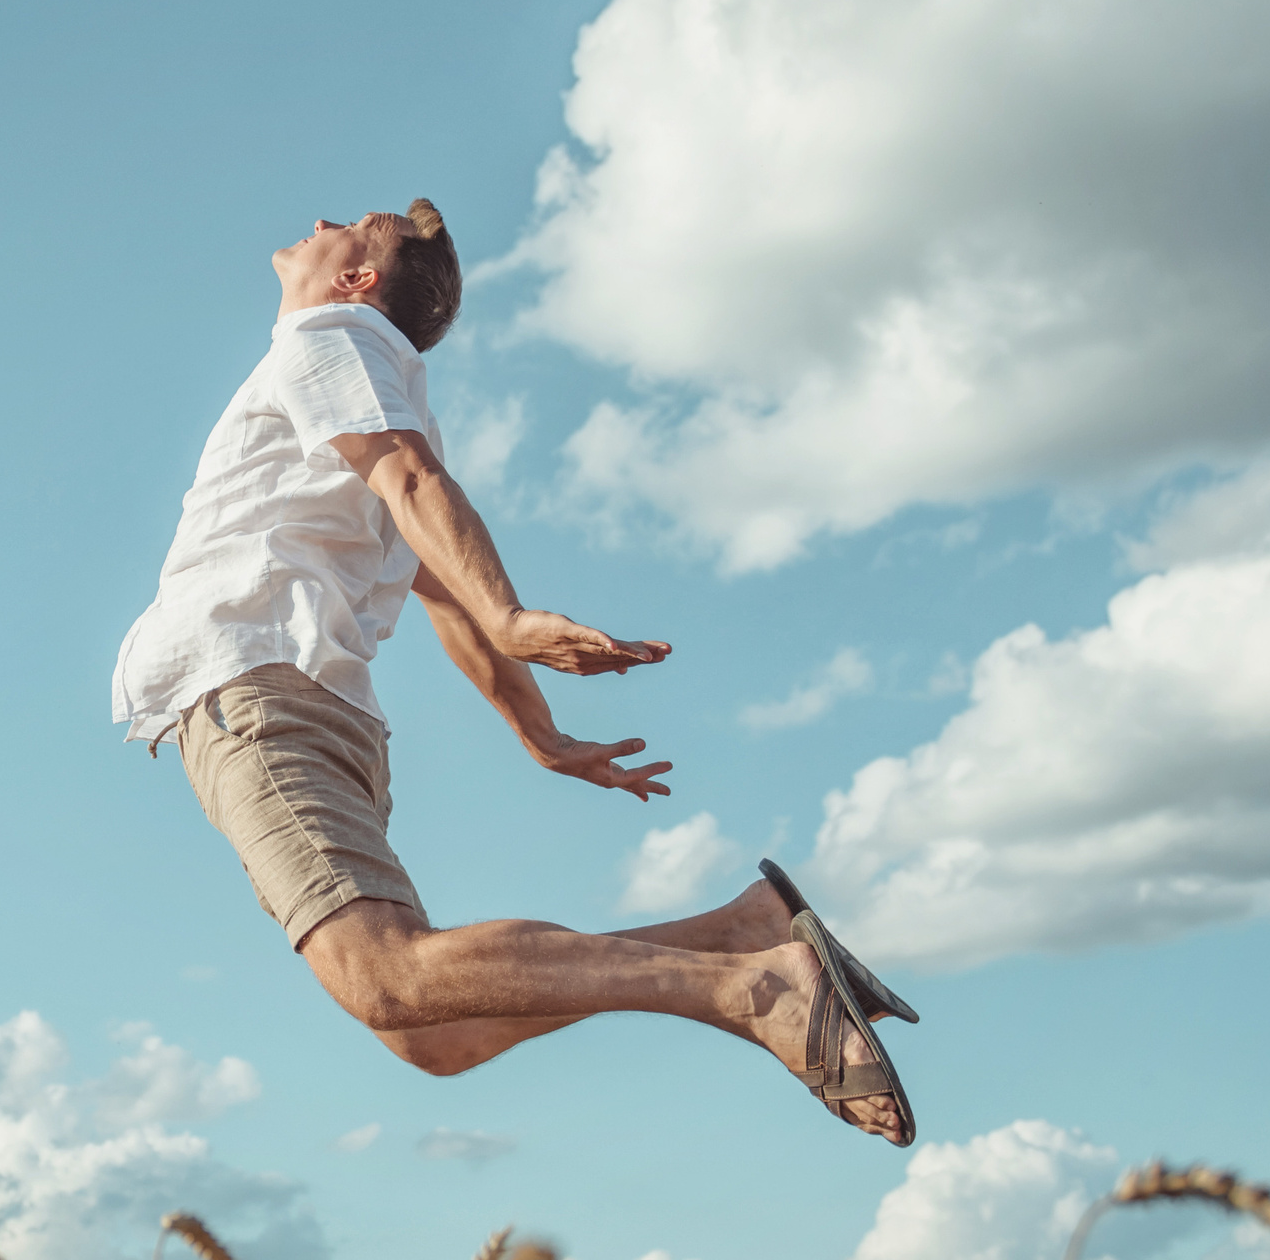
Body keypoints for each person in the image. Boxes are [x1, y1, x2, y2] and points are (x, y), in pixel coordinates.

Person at [111, 203, 918, 1146]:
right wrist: (536, 730)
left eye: (356, 225)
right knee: (437, 1036)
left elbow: (417, 491)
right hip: (316, 706)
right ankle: (741, 932)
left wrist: (508, 613)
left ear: (357, 279)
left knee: (385, 976)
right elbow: (435, 577)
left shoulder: (323, 338)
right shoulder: (372, 384)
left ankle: (754, 988)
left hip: (252, 687)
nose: (324, 219)